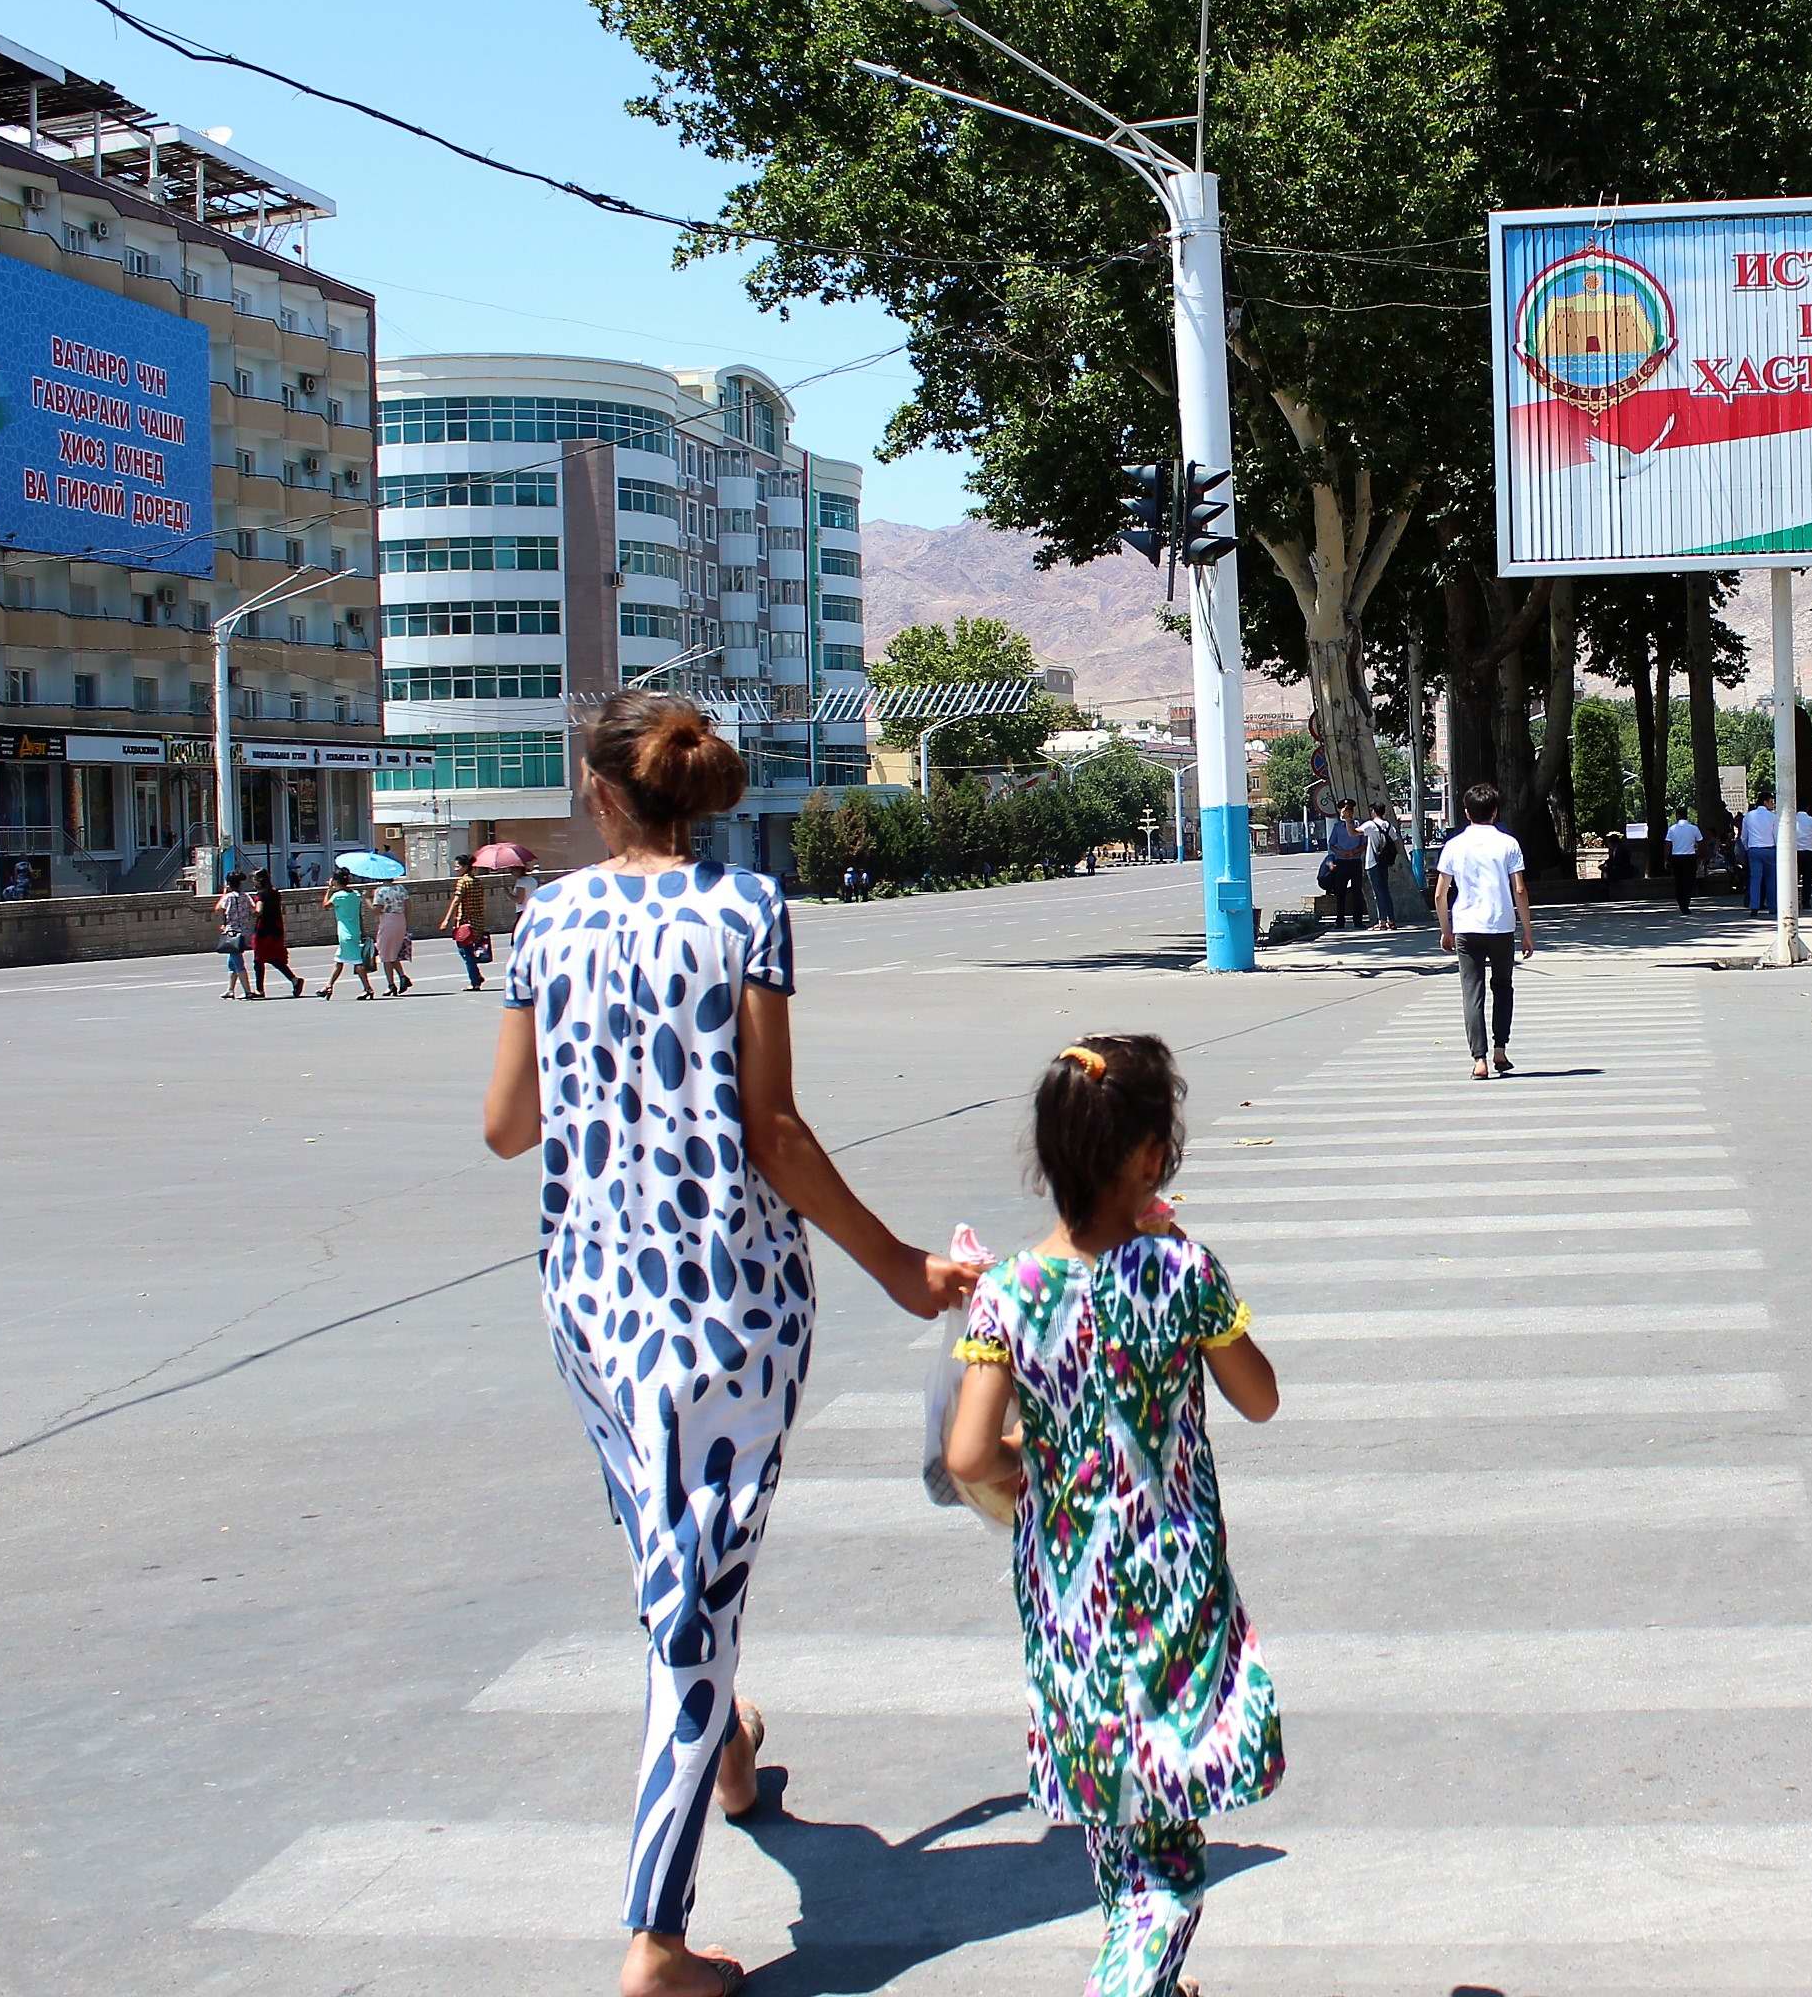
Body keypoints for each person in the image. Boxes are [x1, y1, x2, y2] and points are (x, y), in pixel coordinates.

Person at [483, 690, 975, 1997]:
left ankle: (733, 1750)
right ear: (696, 794)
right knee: (696, 1567)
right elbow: (774, 1130)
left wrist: (606, 1091)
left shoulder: (545, 916)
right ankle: (654, 1934)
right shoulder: (744, 912)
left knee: (674, 1546)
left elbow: (504, 1123)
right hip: (730, 1295)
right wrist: (898, 1267)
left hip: (590, 1290)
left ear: (598, 791)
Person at [943, 1035, 1282, 1997]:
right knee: (1168, 1872)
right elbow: (1258, 1399)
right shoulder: (1182, 1271)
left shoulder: (1008, 1293)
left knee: (1116, 1825)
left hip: (1069, 1602)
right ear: (1149, 1158)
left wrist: (1042, 1477)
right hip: (1174, 1596)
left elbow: (969, 1455)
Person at [1431, 781, 1535, 1079]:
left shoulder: (1454, 846)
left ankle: (1480, 1060)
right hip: (1501, 926)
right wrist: (1527, 930)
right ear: (1495, 811)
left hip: (1466, 927)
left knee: (1472, 993)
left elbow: (1440, 894)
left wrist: (1445, 929)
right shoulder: (1508, 844)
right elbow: (1520, 888)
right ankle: (1500, 1049)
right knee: (1503, 988)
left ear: (1466, 813)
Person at [248, 870, 304, 997]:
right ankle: (295, 980)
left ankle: (259, 990)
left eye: (254, 879)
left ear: (259, 881)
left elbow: (259, 911)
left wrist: (250, 909)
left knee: (259, 960)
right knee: (273, 958)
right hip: (276, 929)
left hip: (264, 930)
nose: (253, 882)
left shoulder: (261, 895)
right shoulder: (274, 892)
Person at [439, 856, 490, 991]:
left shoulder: (463, 882)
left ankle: (475, 981)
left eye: (458, 866)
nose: (456, 869)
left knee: (465, 952)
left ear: (466, 867)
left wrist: (446, 919)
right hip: (478, 921)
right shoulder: (477, 882)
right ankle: (476, 976)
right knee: (468, 951)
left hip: (465, 922)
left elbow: (456, 901)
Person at [324, 876, 378, 1000]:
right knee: (339, 961)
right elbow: (359, 914)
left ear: (336, 882)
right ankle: (328, 986)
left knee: (358, 963)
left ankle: (368, 988)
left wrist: (329, 889)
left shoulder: (338, 896)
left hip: (345, 934)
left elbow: (326, 905)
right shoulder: (355, 895)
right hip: (355, 931)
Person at [1739, 786, 1780, 916]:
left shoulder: (1748, 817)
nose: (1773, 804)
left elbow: (1743, 836)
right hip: (1770, 849)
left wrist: (1747, 848)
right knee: (1771, 879)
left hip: (1754, 849)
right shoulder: (1773, 817)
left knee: (1755, 879)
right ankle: (1772, 906)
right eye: (1771, 801)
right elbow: (1776, 835)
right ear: (1765, 802)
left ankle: (1754, 906)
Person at [1360, 800, 1400, 929]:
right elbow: (1396, 842)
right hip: (1384, 862)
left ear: (1374, 812)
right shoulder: (1388, 826)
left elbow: (1353, 833)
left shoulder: (1370, 825)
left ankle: (1382, 921)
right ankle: (1391, 920)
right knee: (1385, 891)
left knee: (1378, 892)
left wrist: (1348, 819)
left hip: (1373, 862)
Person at [373, 880, 415, 997]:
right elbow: (408, 906)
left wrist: (367, 898)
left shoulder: (380, 891)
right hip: (400, 920)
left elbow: (376, 910)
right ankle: (402, 976)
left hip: (387, 921)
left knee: (385, 954)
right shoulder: (401, 888)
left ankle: (391, 984)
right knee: (393, 952)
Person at [215, 874, 254, 1000]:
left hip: (232, 933)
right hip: (244, 932)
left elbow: (218, 909)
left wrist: (224, 894)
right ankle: (230, 989)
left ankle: (247, 990)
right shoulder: (245, 896)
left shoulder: (228, 897)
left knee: (238, 962)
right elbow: (252, 909)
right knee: (231, 962)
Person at [1664, 809, 1705, 913]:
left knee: (1679, 881)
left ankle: (1681, 901)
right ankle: (1686, 903)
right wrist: (1699, 856)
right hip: (1690, 857)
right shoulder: (1694, 828)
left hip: (1676, 857)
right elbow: (1701, 842)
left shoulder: (1672, 829)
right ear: (1686, 815)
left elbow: (1668, 845)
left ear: (1677, 816)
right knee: (1689, 881)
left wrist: (1666, 859)